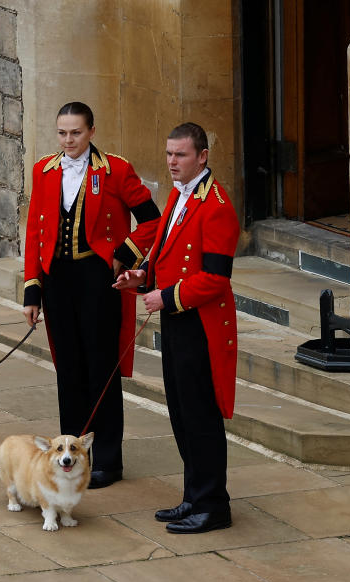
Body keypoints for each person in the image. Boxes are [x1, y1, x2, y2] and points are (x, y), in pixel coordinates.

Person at [22, 102, 162, 489]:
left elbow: (153, 219)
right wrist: (32, 289)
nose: (68, 141)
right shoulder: (44, 170)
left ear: (91, 132)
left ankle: (109, 460)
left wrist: (124, 255)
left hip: (98, 280)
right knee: (68, 369)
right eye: (62, 133)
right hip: (58, 282)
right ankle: (71, 456)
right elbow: (35, 231)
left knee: (102, 370)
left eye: (76, 133)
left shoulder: (115, 169)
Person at [113, 123, 240, 534]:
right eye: (169, 154)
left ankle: (213, 505)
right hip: (178, 322)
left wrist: (166, 297)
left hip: (201, 326)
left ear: (202, 156)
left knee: (201, 415)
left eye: (180, 155)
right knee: (181, 413)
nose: (171, 162)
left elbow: (216, 277)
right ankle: (193, 497)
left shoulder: (217, 205)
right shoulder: (177, 196)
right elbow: (165, 254)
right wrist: (141, 277)